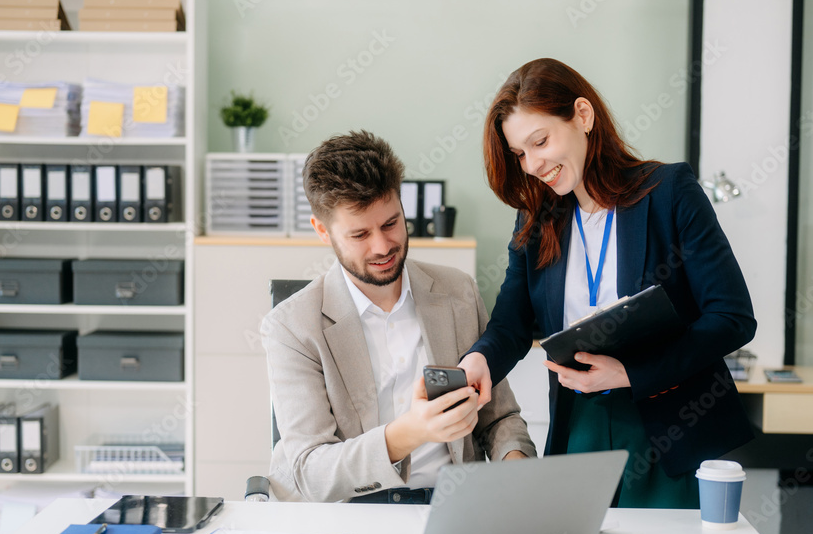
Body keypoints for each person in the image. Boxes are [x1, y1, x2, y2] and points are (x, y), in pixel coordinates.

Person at [458, 58, 756, 509]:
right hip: (580, 426)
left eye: (540, 141)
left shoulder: (669, 192)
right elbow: (511, 325)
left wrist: (630, 373)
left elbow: (732, 318)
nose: (533, 164)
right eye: (520, 154)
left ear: (583, 115)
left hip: (668, 426)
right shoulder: (538, 219)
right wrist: (478, 360)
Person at [261, 130, 536, 503]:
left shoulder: (458, 292)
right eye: (360, 234)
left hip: (450, 505)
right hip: (349, 512)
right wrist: (410, 431)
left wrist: (516, 464)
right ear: (323, 231)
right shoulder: (291, 327)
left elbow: (500, 418)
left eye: (391, 223)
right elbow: (310, 471)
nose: (383, 246)